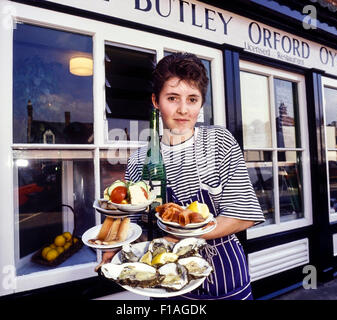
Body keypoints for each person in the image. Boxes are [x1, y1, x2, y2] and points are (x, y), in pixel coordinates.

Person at [97, 52, 265, 300]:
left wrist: (179, 235)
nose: (183, 110)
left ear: (201, 103)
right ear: (156, 101)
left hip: (224, 279)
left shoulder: (219, 142)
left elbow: (243, 216)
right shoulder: (140, 159)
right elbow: (135, 227)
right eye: (172, 98)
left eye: (192, 99)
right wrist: (116, 248)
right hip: (162, 282)